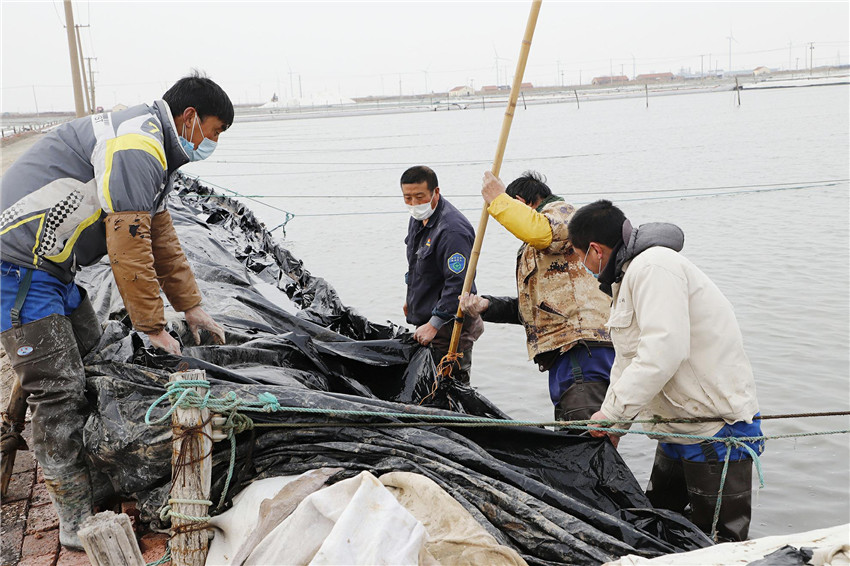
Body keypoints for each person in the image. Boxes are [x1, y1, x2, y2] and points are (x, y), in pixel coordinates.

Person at [0, 72, 232, 549]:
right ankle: (74, 517)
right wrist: (153, 327)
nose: (212, 142)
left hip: (53, 270)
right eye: (214, 131)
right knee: (58, 390)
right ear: (189, 117)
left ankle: (97, 482)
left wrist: (192, 309)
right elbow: (129, 245)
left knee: (96, 357)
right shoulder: (136, 145)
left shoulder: (153, 150)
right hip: (16, 267)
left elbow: (161, 238)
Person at [567, 199, 764, 542]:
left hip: (715, 429)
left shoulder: (653, 268)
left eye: (580, 256)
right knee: (657, 526)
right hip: (675, 428)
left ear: (595, 250)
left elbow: (663, 352)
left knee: (721, 543)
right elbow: (628, 359)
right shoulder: (627, 277)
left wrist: (613, 413)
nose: (583, 266)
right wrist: (615, 423)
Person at [459, 171, 614, 424]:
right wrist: (487, 306)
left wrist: (498, 199)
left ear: (521, 202)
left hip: (582, 348)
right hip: (565, 354)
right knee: (572, 434)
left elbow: (540, 231)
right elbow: (537, 310)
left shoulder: (562, 213)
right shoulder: (539, 247)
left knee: (586, 433)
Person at [401, 165, 482, 383]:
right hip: (425, 318)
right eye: (408, 198)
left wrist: (434, 324)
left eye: (420, 197)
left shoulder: (453, 231)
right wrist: (411, 298)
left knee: (451, 387)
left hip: (450, 328)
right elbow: (417, 263)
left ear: (435, 192)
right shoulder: (418, 219)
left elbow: (459, 285)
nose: (414, 204)